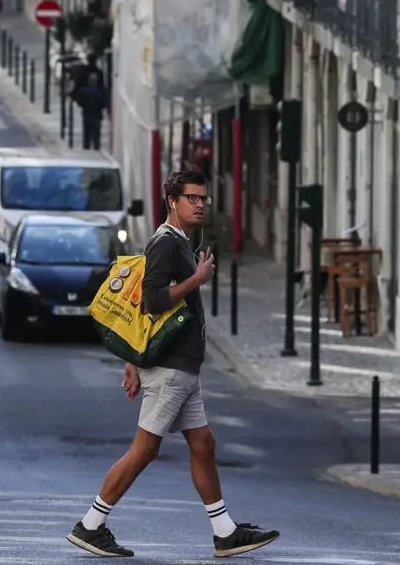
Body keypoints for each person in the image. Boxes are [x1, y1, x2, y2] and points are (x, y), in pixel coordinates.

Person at [67, 171, 279, 559]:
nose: (200, 204)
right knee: (144, 450)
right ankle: (91, 525)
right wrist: (197, 279)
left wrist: (133, 360)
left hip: (181, 367)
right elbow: (151, 302)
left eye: (204, 199)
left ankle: (225, 532)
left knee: (204, 444)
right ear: (172, 201)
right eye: (192, 198)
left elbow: (144, 314)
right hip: (171, 370)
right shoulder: (165, 244)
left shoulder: (180, 241)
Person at [74, 72, 109, 150]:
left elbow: (79, 102)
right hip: (97, 115)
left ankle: (86, 146)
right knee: (96, 133)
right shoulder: (100, 92)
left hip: (86, 114)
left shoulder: (83, 91)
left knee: (86, 132)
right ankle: (96, 147)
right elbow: (104, 104)